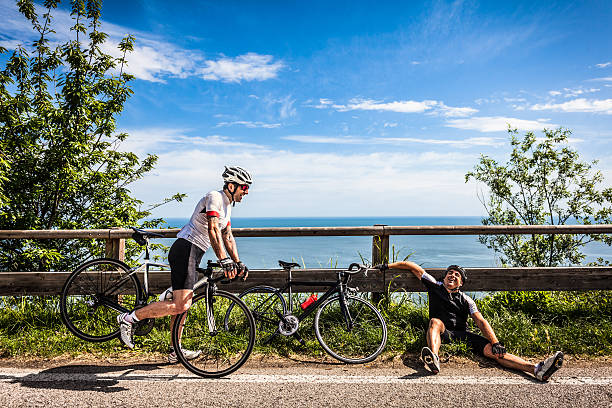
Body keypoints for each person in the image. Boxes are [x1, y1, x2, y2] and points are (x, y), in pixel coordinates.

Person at [117, 166, 253, 363]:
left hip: (194, 252)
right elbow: (213, 228)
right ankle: (129, 318)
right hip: (186, 249)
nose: (246, 192)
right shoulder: (214, 197)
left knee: (182, 304)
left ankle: (175, 351)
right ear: (231, 186)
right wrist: (224, 260)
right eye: (244, 187)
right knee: (182, 303)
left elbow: (227, 235)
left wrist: (238, 262)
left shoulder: (227, 206)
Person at [374, 261, 564, 382]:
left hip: (463, 335)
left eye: (457, 275)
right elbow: (412, 266)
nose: (452, 275)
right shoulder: (434, 285)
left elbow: (480, 321)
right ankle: (434, 358)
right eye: (450, 272)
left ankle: (537, 370)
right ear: (445, 276)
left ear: (461, 283)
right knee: (435, 322)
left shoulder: (467, 299)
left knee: (495, 353)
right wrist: (386, 267)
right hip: (443, 332)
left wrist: (495, 342)